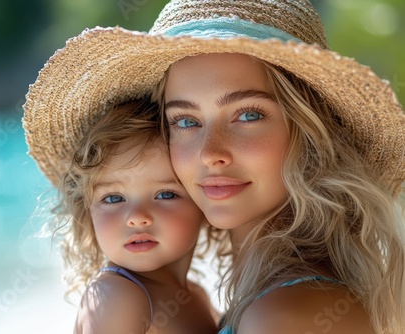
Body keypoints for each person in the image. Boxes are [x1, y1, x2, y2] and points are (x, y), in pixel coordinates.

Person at [23, 0, 405, 333]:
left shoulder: (285, 316)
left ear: (310, 132)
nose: (210, 153)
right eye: (186, 121)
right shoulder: (246, 303)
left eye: (248, 114)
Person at [25, 99, 218, 333]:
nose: (136, 217)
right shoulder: (117, 296)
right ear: (87, 211)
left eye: (165, 194)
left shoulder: (196, 295)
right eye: (114, 199)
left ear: (204, 202)